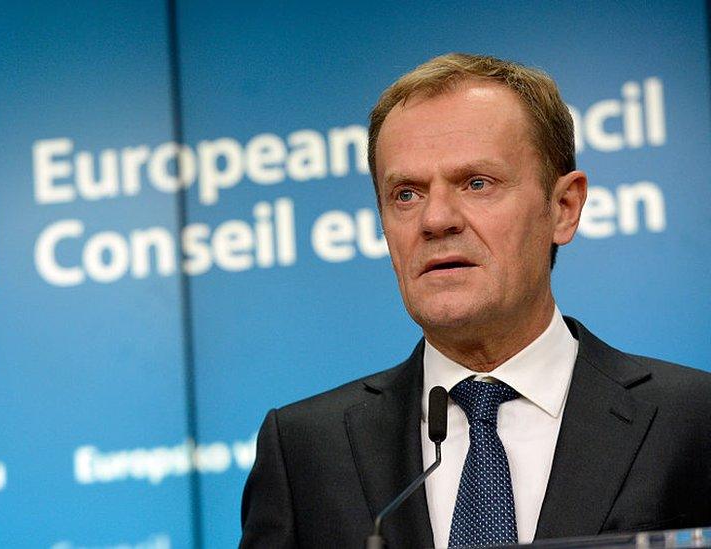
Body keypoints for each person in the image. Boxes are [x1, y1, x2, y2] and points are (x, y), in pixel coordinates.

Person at [239, 53, 711, 548]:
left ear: (564, 208)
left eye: (476, 183)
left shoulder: (693, 422)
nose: (435, 219)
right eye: (406, 194)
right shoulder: (305, 450)